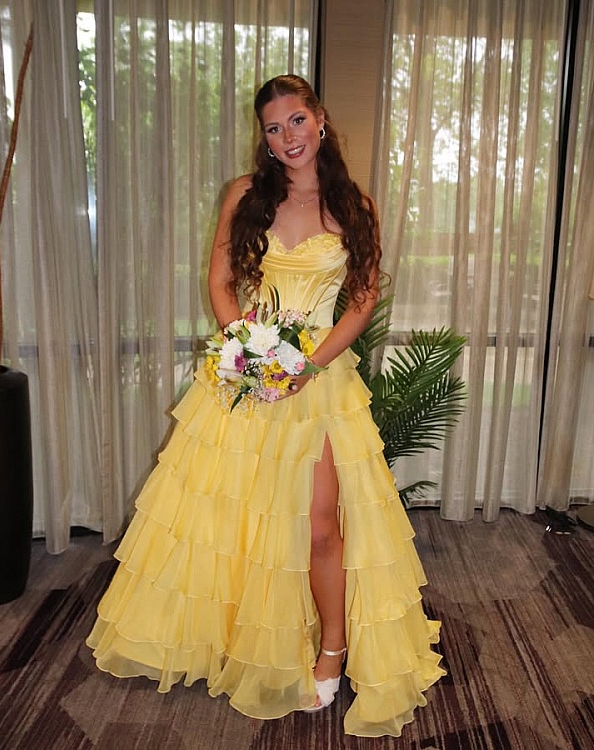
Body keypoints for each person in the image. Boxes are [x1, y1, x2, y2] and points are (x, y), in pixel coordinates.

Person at [86, 74, 445, 737]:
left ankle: (332, 647)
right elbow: (220, 281)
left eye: (297, 120)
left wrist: (309, 366)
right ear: (266, 138)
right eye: (274, 128)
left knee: (319, 527)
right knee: (237, 518)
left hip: (321, 380)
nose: (288, 137)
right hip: (249, 372)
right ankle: (237, 637)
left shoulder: (355, 205)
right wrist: (251, 354)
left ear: (321, 119)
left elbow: (362, 300)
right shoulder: (245, 194)